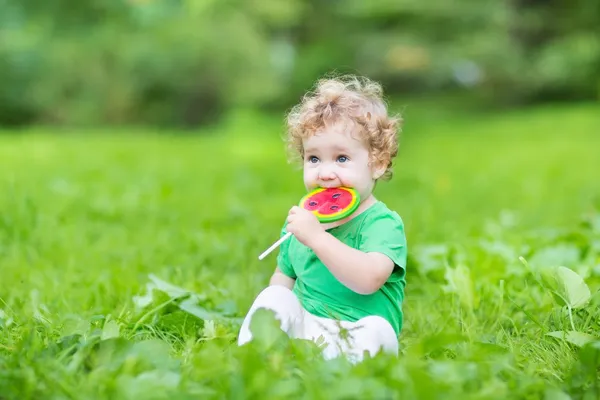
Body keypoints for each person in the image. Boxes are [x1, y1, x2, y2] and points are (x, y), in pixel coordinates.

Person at [238, 74, 408, 364]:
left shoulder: (382, 224)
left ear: (377, 164)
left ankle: (349, 377)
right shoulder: (301, 223)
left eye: (341, 158)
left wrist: (318, 238)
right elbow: (284, 276)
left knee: (379, 332)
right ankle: (254, 361)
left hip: (359, 331)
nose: (325, 172)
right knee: (273, 296)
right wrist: (278, 310)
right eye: (314, 159)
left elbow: (369, 279)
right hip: (307, 333)